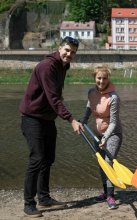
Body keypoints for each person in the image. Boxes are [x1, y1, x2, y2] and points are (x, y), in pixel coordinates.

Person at [19, 36, 83, 218]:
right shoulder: (48, 66)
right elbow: (53, 97)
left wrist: (60, 107)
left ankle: (44, 198)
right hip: (32, 118)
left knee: (48, 158)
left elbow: (55, 94)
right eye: (67, 50)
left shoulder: (64, 66)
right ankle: (28, 204)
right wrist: (71, 119)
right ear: (59, 48)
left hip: (47, 118)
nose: (69, 54)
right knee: (37, 158)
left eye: (73, 52)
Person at [81, 64, 122, 210]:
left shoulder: (114, 97)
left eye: (104, 78)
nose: (101, 81)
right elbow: (89, 106)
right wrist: (83, 120)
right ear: (94, 78)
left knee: (108, 162)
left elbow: (113, 122)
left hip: (113, 134)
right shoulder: (91, 92)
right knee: (101, 163)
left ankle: (111, 195)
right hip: (96, 134)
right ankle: (105, 192)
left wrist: (105, 138)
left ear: (108, 79)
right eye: (99, 78)